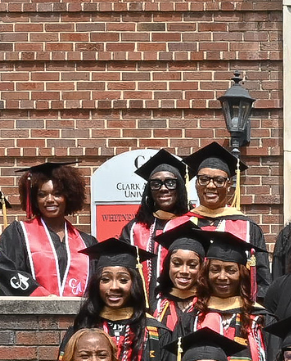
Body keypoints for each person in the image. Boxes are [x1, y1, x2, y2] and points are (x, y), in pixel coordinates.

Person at [58, 239, 177, 361]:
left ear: (135, 283)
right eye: (105, 279)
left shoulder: (156, 333)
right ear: (96, 283)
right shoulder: (81, 330)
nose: (114, 287)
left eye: (123, 280)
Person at [193, 233, 271, 361]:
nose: (222, 277)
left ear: (242, 274)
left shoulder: (260, 318)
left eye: (231, 270)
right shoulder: (193, 318)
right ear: (206, 272)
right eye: (215, 269)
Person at [0, 160, 96, 297]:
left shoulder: (87, 242)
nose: (49, 199)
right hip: (33, 314)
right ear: (34, 199)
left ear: (68, 197)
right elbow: (9, 273)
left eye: (57, 193)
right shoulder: (19, 234)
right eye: (42, 194)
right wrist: (44, 298)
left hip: (78, 316)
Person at [186, 142, 274, 284]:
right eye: (203, 179)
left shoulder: (247, 227)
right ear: (196, 183)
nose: (210, 185)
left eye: (219, 180)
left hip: (235, 304)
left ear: (228, 185)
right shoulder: (182, 223)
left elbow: (261, 278)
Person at [117, 149, 195, 292]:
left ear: (180, 189)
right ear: (149, 191)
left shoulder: (193, 225)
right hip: (142, 306)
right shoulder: (134, 229)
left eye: (170, 183)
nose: (163, 188)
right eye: (156, 184)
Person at [149, 223, 211, 335]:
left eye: (192, 265)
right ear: (168, 265)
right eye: (177, 264)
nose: (184, 271)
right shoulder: (157, 305)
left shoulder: (209, 305)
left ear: (202, 268)